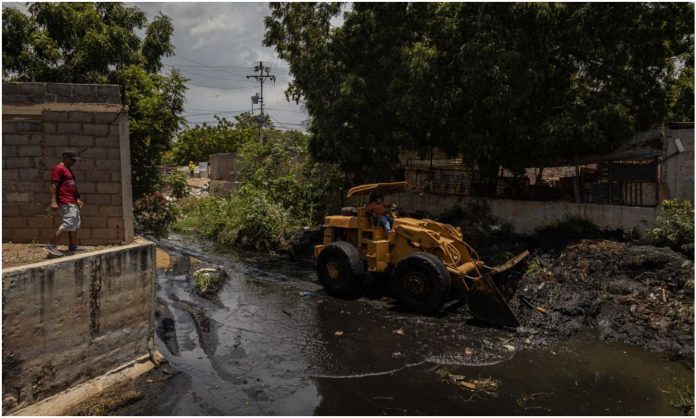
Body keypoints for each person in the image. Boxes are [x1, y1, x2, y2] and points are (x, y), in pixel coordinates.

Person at [45, 150, 83, 257]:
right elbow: (53, 186)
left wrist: (77, 199)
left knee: (75, 223)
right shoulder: (59, 169)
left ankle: (72, 246)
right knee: (69, 223)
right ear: (65, 158)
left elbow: (71, 186)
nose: (74, 162)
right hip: (64, 200)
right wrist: (53, 201)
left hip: (71, 200)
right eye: (72, 160)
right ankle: (51, 245)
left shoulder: (68, 169)